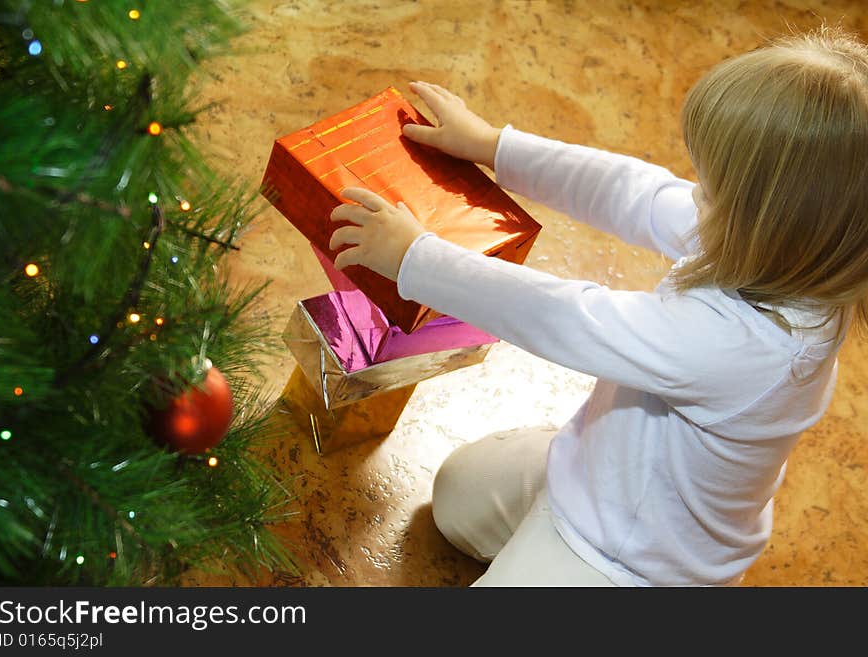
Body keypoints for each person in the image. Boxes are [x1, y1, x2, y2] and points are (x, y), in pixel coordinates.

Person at [326, 28, 868, 586]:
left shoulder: (751, 346)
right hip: (598, 471)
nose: (693, 195)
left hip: (632, 560)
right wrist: (493, 146)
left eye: (710, 188)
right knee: (457, 497)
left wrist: (417, 259)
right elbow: (632, 190)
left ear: (771, 221)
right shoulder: (771, 248)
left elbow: (570, 318)